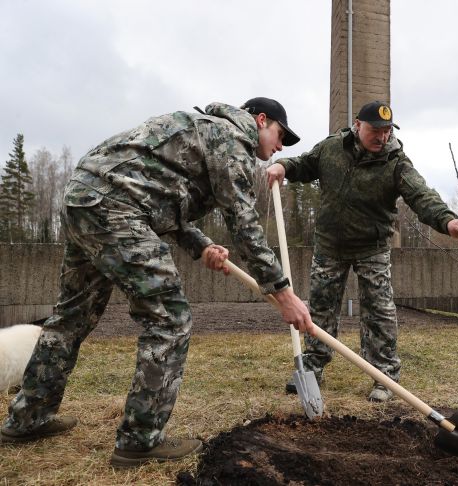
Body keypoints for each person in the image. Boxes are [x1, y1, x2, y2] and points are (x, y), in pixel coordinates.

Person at [0, 98, 315, 467]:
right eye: (280, 135)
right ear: (261, 120)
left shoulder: (200, 129)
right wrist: (283, 292)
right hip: (117, 210)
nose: (279, 146)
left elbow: (165, 203)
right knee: (169, 321)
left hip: (84, 201)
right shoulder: (232, 138)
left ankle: (26, 419)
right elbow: (244, 225)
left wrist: (202, 246)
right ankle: (139, 440)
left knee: (70, 318)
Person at [266, 101, 458, 402]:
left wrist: (448, 221)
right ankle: (311, 368)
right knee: (321, 310)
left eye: (388, 131)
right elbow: (304, 164)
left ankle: (384, 376)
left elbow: (421, 195)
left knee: (379, 312)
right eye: (376, 130)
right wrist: (283, 165)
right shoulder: (332, 148)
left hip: (371, 248)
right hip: (329, 246)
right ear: (358, 125)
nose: (382, 137)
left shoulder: (397, 162)